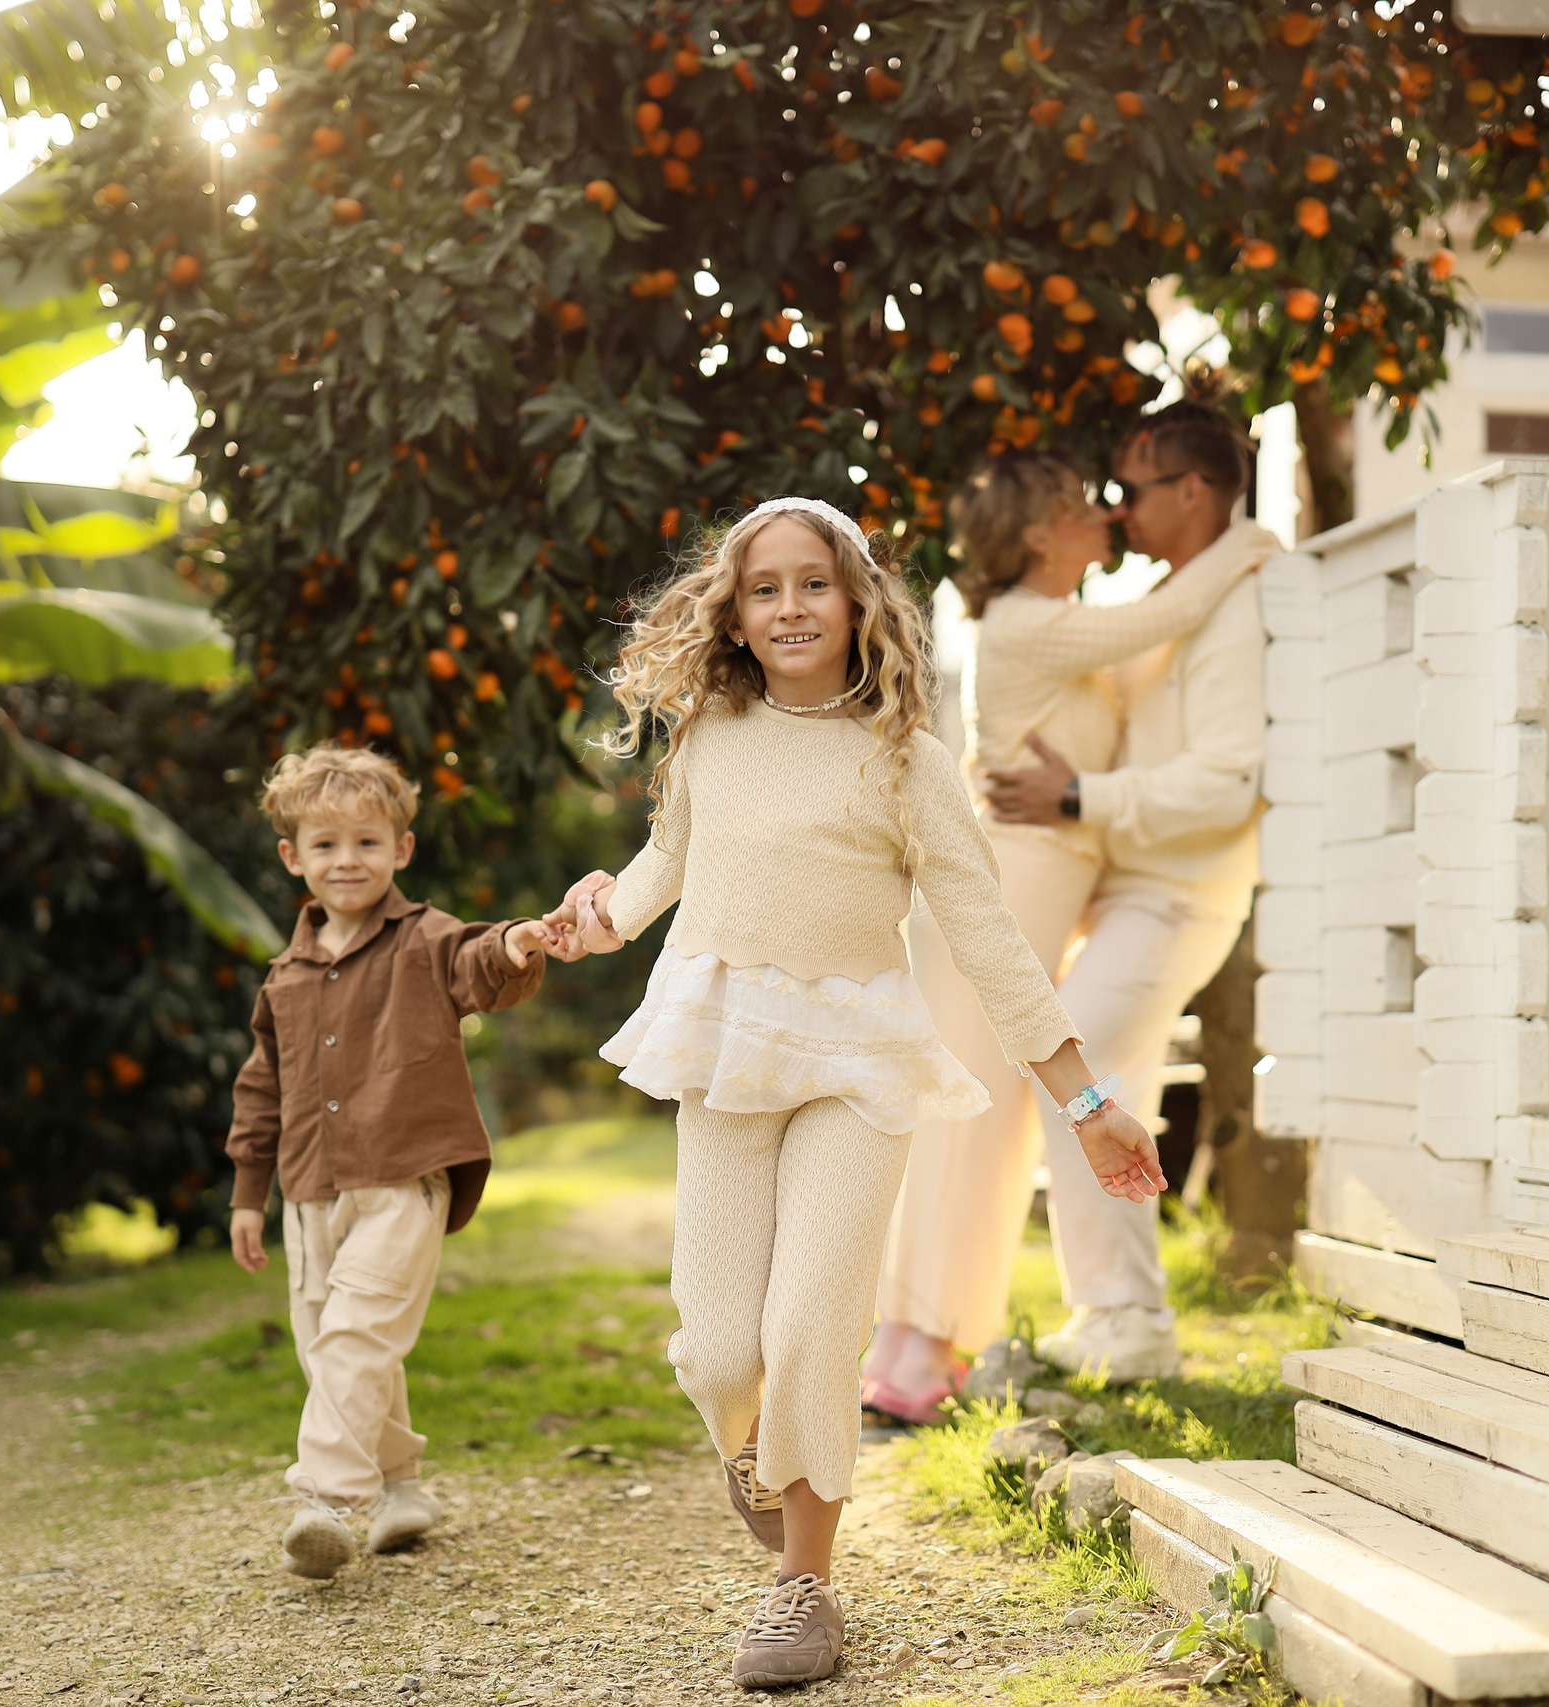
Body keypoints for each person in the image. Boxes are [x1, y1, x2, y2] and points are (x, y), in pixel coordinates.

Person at [544, 497, 1164, 1690]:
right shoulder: (710, 737)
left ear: (856, 600)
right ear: (735, 613)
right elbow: (666, 864)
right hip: (727, 1051)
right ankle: (754, 1446)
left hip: (856, 1063)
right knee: (718, 1352)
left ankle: (803, 1585)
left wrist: (1088, 1108)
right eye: (763, 588)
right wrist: (594, 919)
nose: (789, 607)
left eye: (812, 583)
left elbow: (988, 939)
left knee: (809, 1329)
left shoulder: (907, 759)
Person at [861, 451, 1263, 1422]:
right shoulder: (1029, 622)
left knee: (982, 1108)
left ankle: (919, 1346)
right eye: (1084, 505)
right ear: (1039, 534)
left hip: (1037, 880)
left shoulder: (1056, 624)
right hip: (1012, 881)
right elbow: (1169, 613)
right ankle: (915, 1355)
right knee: (972, 1110)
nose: (1108, 515)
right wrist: (1251, 539)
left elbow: (1152, 641)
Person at [981, 401, 1281, 1384]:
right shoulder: (1174, 599)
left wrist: (1077, 796)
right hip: (1129, 892)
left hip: (1182, 895)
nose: (1116, 510)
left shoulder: (1236, 609)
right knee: (1107, 1083)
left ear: (1190, 490)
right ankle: (1125, 1317)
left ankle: (1122, 1316)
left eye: (1130, 489)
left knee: (1080, 1069)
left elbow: (1228, 784)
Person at [223, 744, 566, 1579]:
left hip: (405, 1178)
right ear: (293, 857)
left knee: (356, 1334)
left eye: (367, 842)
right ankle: (403, 1487)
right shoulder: (284, 978)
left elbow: (479, 963)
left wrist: (517, 942)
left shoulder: (425, 938)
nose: (348, 860)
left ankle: (326, 1500)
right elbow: (261, 1087)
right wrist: (247, 1193)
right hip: (310, 1188)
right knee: (335, 1346)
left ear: (401, 849)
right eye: (326, 844)